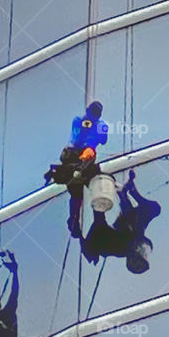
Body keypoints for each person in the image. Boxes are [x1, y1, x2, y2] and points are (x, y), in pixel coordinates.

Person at [45, 101, 110, 237]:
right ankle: (87, 219)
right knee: (89, 187)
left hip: (78, 157)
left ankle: (79, 220)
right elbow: (100, 139)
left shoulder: (83, 121)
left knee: (79, 192)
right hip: (80, 156)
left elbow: (88, 139)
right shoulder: (94, 123)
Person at [81, 169, 161, 273]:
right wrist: (131, 193)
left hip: (103, 231)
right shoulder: (138, 232)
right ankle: (128, 190)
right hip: (127, 218)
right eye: (144, 253)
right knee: (155, 209)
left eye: (136, 256)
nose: (141, 250)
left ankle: (124, 191)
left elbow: (99, 226)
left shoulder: (116, 247)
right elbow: (150, 209)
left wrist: (100, 194)